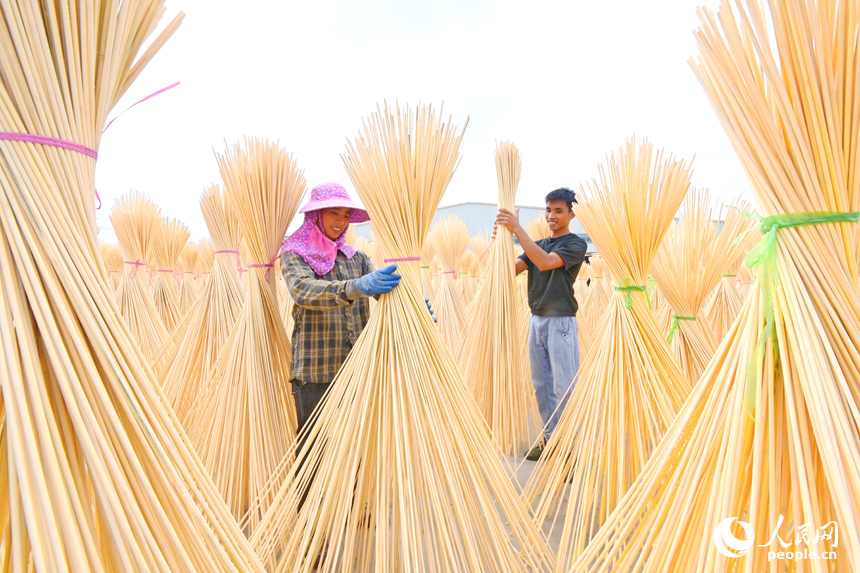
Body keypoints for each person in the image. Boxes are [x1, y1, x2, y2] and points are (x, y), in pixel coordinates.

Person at [279, 182, 434, 444]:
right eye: (334, 212)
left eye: (347, 215)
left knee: (354, 446)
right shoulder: (295, 254)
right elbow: (303, 290)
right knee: (314, 449)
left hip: (357, 367)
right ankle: (310, 488)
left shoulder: (356, 258)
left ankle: (351, 488)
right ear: (316, 215)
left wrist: (412, 306)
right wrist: (354, 287)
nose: (341, 221)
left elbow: (382, 291)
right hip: (316, 371)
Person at [494, 187, 587, 461]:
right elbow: (511, 269)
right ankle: (551, 441)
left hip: (560, 322)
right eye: (548, 210)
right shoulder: (537, 244)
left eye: (559, 211)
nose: (552, 216)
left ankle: (569, 449)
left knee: (563, 386)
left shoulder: (574, 244)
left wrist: (517, 230)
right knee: (542, 384)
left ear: (570, 214)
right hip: (537, 321)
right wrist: (502, 242)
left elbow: (545, 264)